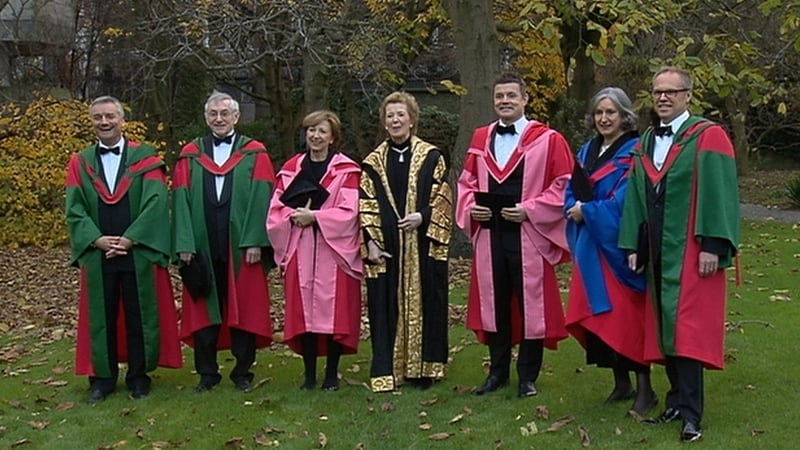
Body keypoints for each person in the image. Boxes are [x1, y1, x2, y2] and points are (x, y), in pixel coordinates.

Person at [619, 66, 740, 442]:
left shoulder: (709, 135)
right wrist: (635, 245)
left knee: (687, 330)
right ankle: (674, 402)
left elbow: (719, 191)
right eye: (658, 91)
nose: (663, 97)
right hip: (657, 249)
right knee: (665, 327)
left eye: (672, 91)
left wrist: (713, 244)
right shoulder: (646, 140)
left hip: (691, 249)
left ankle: (691, 413)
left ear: (688, 95)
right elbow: (637, 195)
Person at [455, 73, 572, 399]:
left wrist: (530, 210)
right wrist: (471, 208)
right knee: (495, 305)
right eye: (499, 96)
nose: (504, 101)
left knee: (531, 306)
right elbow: (466, 183)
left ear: (525, 99)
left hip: (528, 235)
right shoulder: (481, 138)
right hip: (490, 236)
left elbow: (564, 185)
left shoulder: (548, 139)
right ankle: (497, 372)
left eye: (511, 95)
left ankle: (527, 377)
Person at [65, 96, 182, 404]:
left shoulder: (145, 158)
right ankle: (102, 381)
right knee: (100, 317)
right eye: (98, 117)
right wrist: (96, 239)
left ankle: (138, 377)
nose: (104, 122)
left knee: (138, 314)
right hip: (99, 252)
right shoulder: (81, 162)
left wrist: (130, 239)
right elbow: (74, 208)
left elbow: (156, 201)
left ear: (122, 120)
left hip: (137, 251)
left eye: (110, 117)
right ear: (92, 121)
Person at [172, 91, 275, 393]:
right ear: (206, 118)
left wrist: (255, 240)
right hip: (201, 241)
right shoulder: (190, 154)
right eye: (213, 113)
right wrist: (184, 242)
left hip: (241, 242)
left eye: (225, 113)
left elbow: (262, 197)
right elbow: (180, 199)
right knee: (203, 304)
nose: (219, 119)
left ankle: (242, 372)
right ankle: (207, 374)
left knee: (242, 305)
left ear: (236, 117)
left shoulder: (255, 153)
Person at [563, 87, 658, 415]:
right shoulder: (587, 149)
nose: (604, 118)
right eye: (599, 112)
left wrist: (587, 212)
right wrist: (573, 208)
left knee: (627, 318)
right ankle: (621, 383)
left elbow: (629, 200)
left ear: (624, 115)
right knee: (600, 316)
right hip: (590, 246)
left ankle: (645, 389)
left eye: (611, 112)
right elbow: (571, 188)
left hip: (618, 246)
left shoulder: (635, 151)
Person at [359, 91, 453, 392]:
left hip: (422, 244)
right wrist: (372, 243)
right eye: (390, 116)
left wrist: (422, 217)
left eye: (401, 115)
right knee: (384, 304)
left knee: (428, 300)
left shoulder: (432, 157)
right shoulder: (372, 163)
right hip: (387, 245)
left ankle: (425, 369)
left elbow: (443, 198)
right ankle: (388, 370)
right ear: (384, 123)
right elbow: (366, 204)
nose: (395, 120)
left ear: (412, 120)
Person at [267, 110, 363, 391]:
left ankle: (331, 374)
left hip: (334, 252)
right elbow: (275, 210)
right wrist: (293, 217)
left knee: (334, 314)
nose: (315, 136)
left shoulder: (346, 170)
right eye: (311, 130)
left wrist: (317, 217)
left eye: (322, 131)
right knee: (304, 314)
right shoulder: (291, 168)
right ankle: (309, 375)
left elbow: (350, 212)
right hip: (300, 247)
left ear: (332, 137)